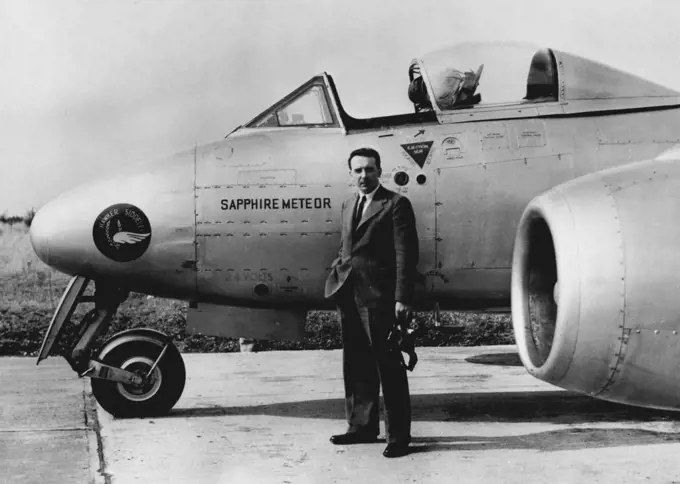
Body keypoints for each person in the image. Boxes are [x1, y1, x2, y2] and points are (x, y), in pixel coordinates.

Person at [324, 147, 419, 458]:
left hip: (380, 298)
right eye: (358, 170)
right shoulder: (349, 204)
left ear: (380, 171)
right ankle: (361, 427)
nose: (363, 176)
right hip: (349, 295)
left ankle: (398, 438)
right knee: (356, 364)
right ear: (350, 173)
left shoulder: (395, 204)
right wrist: (337, 274)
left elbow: (406, 255)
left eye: (369, 170)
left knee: (388, 367)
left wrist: (402, 298)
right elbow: (346, 248)